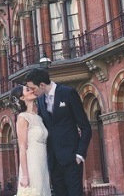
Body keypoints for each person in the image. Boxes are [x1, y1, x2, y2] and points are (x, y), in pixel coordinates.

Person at [25, 68, 92, 196]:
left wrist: (80, 155)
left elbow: (85, 127)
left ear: (42, 85)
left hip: (72, 159)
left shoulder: (68, 93)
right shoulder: (40, 100)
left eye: (33, 88)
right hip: (54, 162)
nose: (32, 92)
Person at [11, 85, 51, 196]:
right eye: (27, 90)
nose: (32, 90)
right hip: (32, 164)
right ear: (22, 98)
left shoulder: (38, 117)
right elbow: (22, 148)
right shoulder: (22, 118)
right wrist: (24, 176)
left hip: (42, 164)